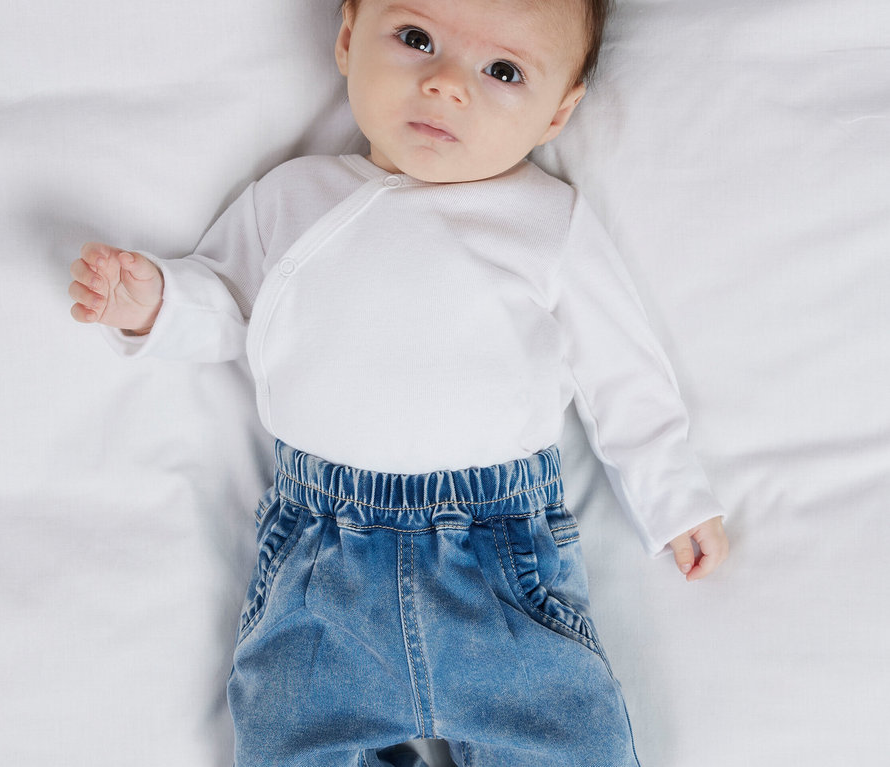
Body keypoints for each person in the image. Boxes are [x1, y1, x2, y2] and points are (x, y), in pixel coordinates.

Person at [68, 0, 729, 764]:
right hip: (322, 559)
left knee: (567, 738)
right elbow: (227, 306)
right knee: (290, 740)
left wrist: (672, 495)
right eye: (416, 38)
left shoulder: (547, 222)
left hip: (500, 556)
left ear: (559, 112)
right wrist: (153, 304)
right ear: (349, 37)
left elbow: (623, 370)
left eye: (503, 71)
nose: (447, 84)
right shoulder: (292, 197)